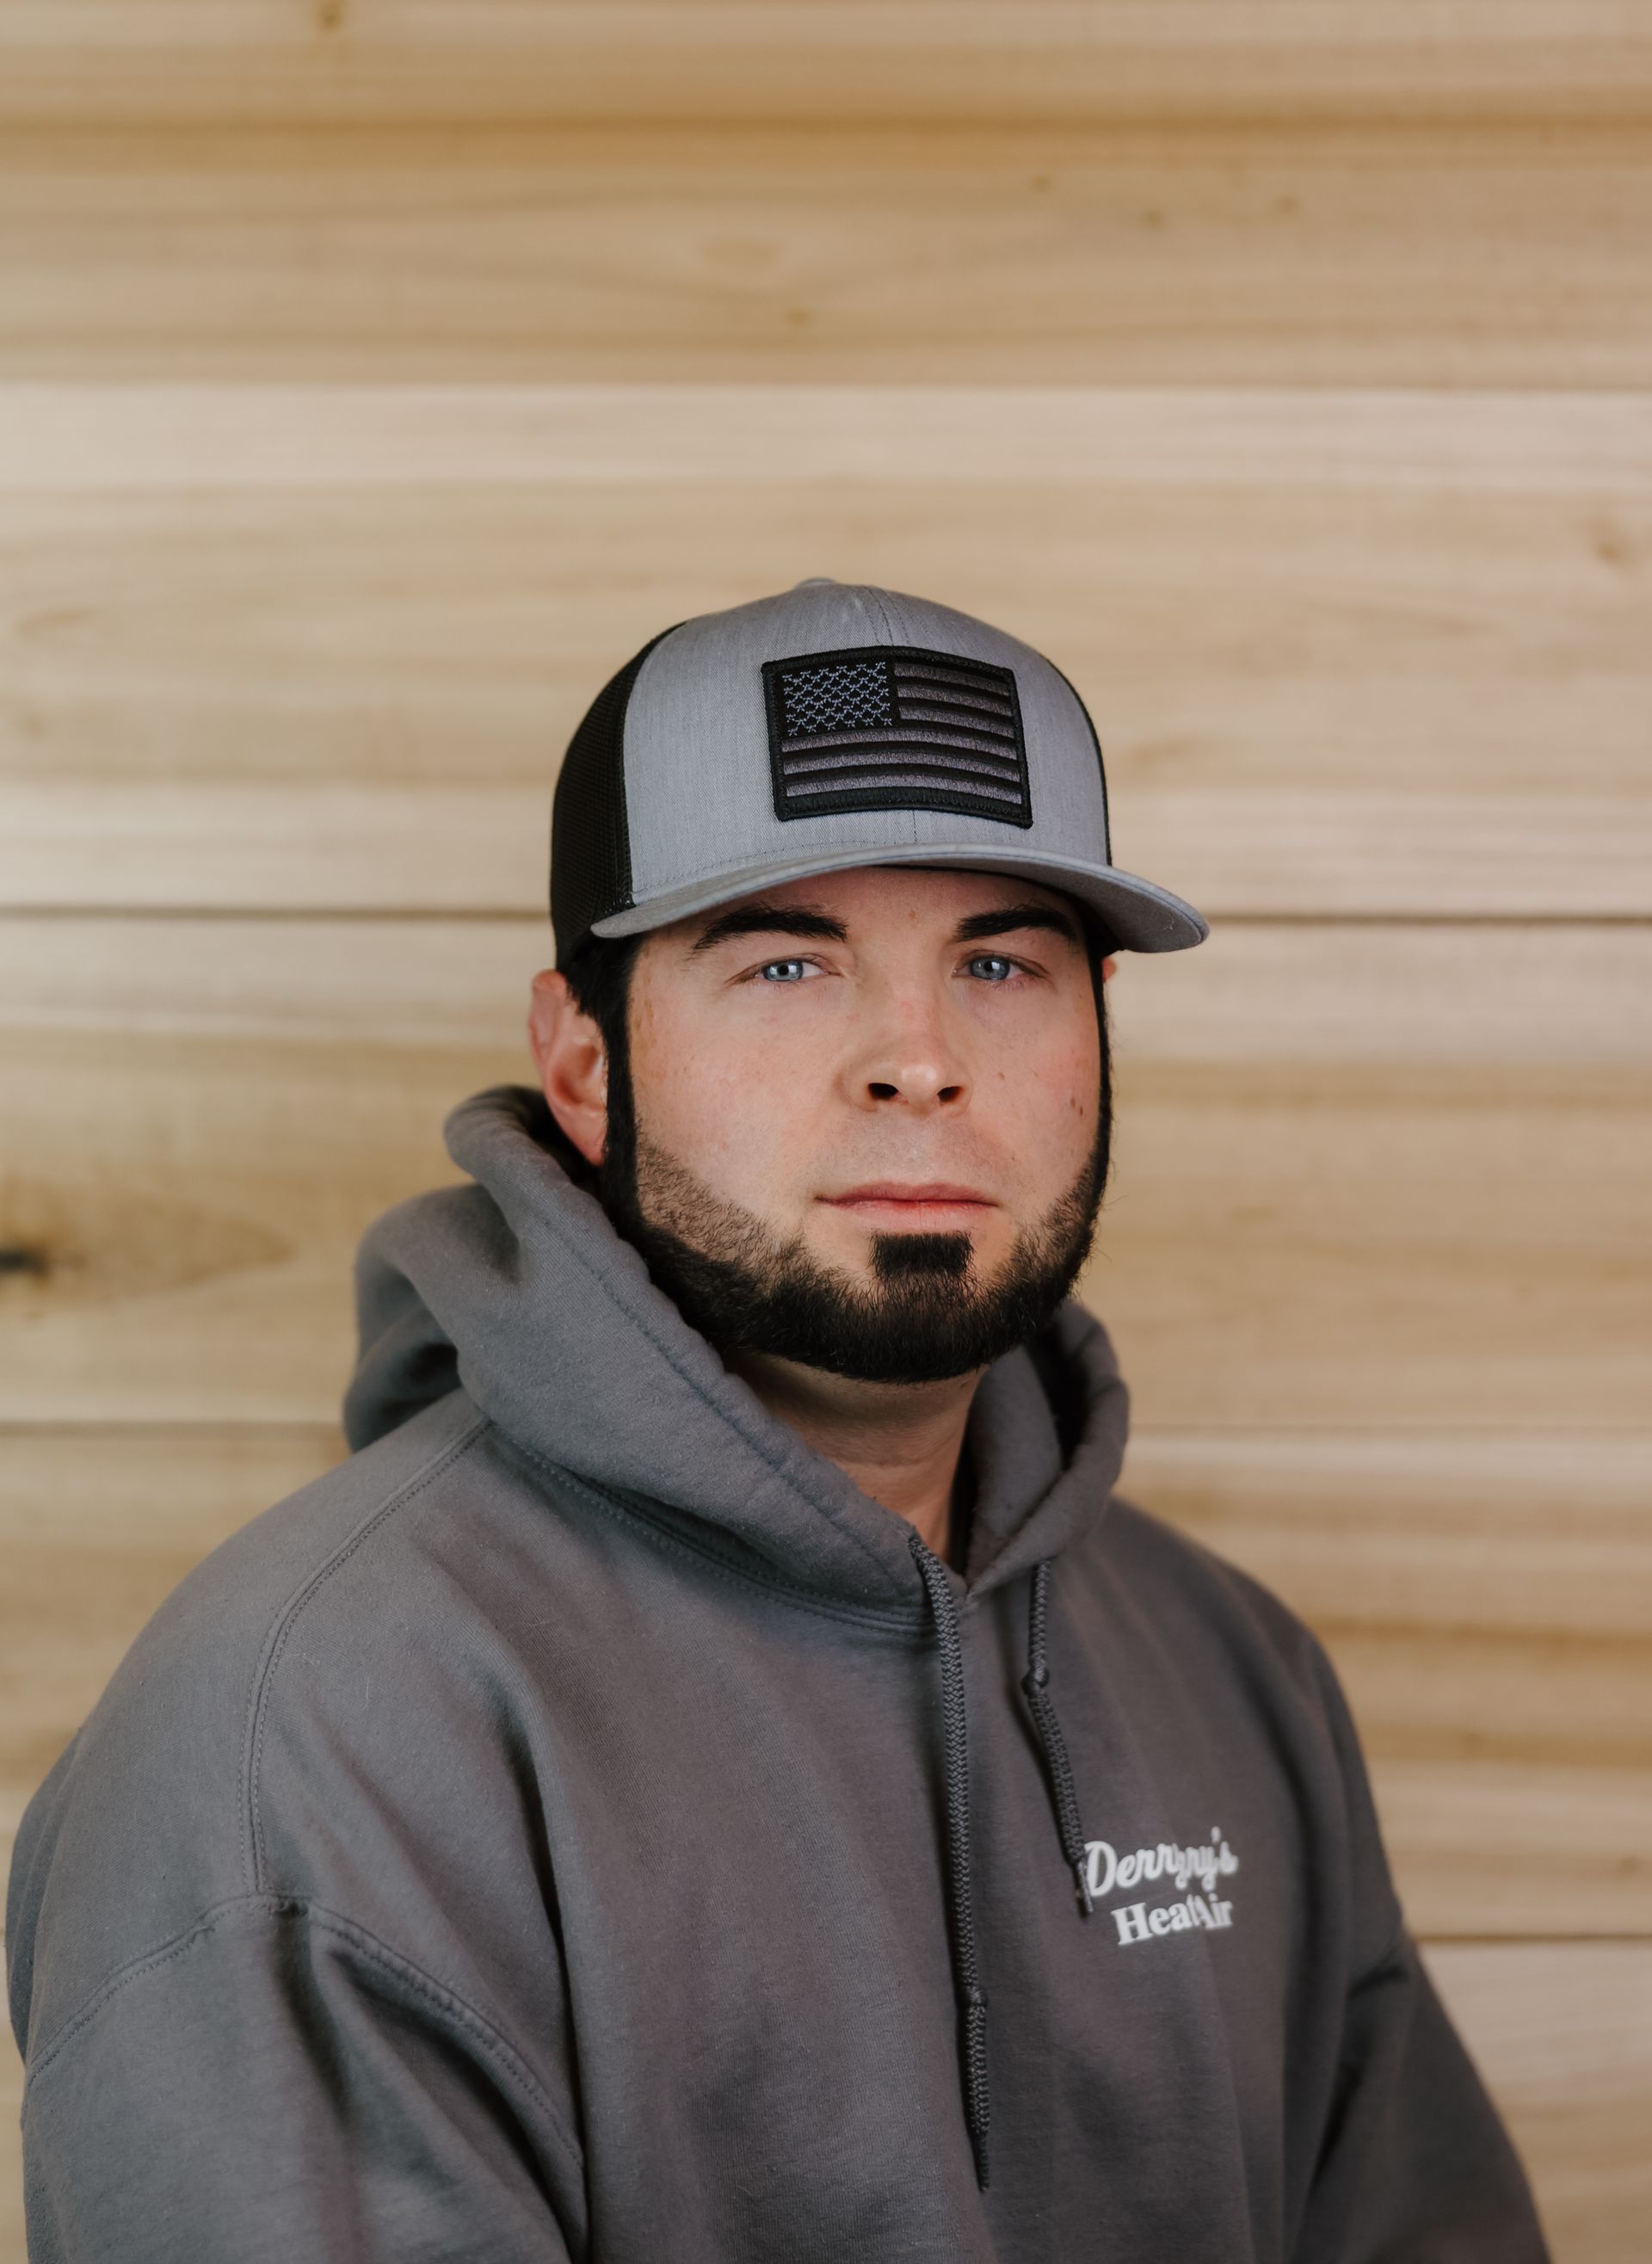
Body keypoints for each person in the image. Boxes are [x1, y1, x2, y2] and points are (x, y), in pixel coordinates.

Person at [6, 581, 1548, 2261]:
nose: (918, 1057)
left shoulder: (1237, 1673)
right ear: (584, 1060)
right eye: (790, 957)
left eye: (1003, 959)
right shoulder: (304, 1745)